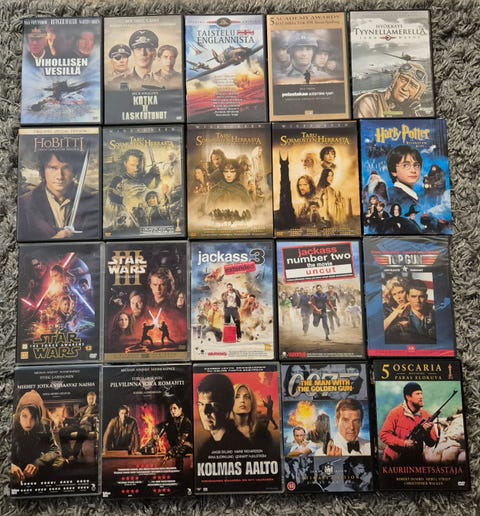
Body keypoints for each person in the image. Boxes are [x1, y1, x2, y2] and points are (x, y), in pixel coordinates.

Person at [18, 150, 99, 241]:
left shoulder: (91, 201)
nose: (60, 176)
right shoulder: (25, 203)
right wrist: (54, 241)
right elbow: (21, 246)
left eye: (66, 168)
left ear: (74, 170)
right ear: (43, 170)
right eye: (53, 168)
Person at [11, 390, 64, 483]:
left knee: (60, 464)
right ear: (18, 417)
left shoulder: (44, 425)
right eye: (24, 416)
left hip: (36, 472)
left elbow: (55, 451)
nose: (28, 422)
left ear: (37, 418)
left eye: (33, 417)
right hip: (13, 473)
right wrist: (10, 466)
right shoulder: (8, 425)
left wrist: (38, 463)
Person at [196, 374, 252, 461]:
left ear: (227, 408)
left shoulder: (241, 446)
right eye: (201, 404)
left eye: (213, 405)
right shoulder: (206, 448)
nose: (205, 412)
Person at [380, 382, 438, 463]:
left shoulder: (426, 415)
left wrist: (427, 432)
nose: (421, 397)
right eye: (417, 394)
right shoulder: (395, 413)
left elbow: (431, 443)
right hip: (394, 461)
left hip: (415, 461)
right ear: (408, 397)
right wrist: (403, 443)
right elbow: (384, 435)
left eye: (421, 393)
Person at [353, 61, 429, 118]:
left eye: (413, 85)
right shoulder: (370, 103)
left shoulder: (417, 113)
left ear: (418, 93)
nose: (405, 88)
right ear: (395, 80)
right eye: (403, 79)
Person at [58, 391, 99, 462]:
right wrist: (65, 419)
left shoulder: (98, 408)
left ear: (95, 399)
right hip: (78, 425)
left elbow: (99, 415)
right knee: (62, 431)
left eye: (92, 399)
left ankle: (74, 455)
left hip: (88, 425)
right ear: (87, 399)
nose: (91, 400)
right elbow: (75, 418)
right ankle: (67, 454)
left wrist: (88, 417)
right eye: (89, 399)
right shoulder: (83, 408)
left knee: (81, 432)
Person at [232, 384, 273, 452]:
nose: (242, 400)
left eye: (247, 397)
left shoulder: (263, 432)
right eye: (237, 397)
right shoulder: (223, 431)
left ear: (252, 402)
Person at [386, 144, 423, 213]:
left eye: (416, 165)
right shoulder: (394, 197)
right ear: (393, 171)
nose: (413, 170)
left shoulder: (411, 195)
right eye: (405, 165)